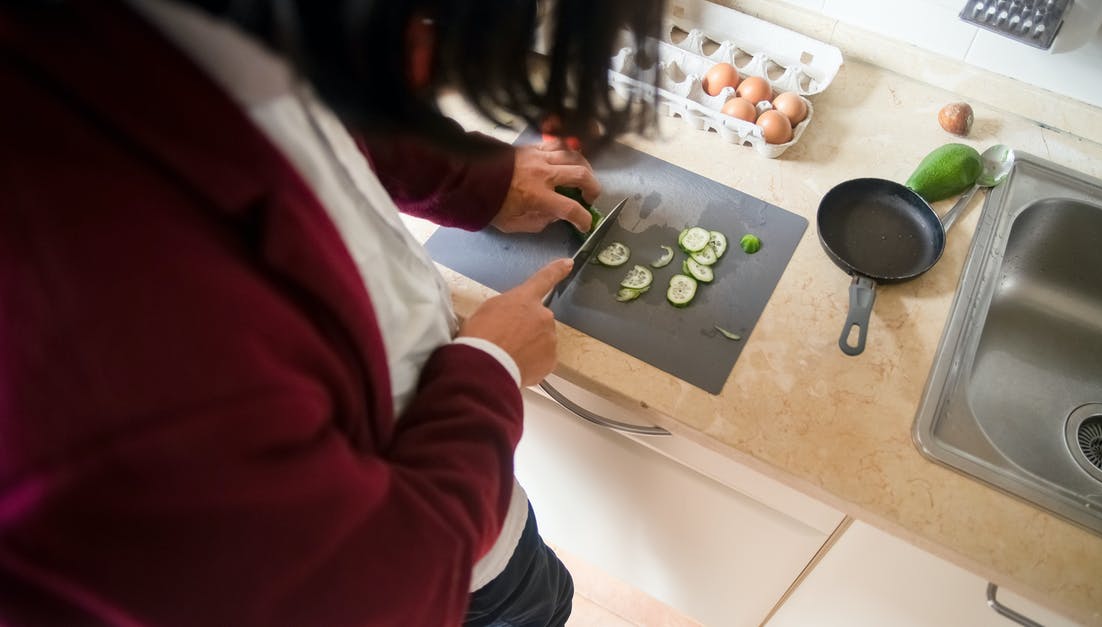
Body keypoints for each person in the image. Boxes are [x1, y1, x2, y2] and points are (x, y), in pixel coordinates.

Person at [0, 0, 662, 625]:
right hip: (438, 550)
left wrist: (473, 179)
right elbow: (386, 592)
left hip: (463, 490)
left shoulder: (190, 30)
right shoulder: (109, 359)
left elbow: (325, 101)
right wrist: (487, 373)